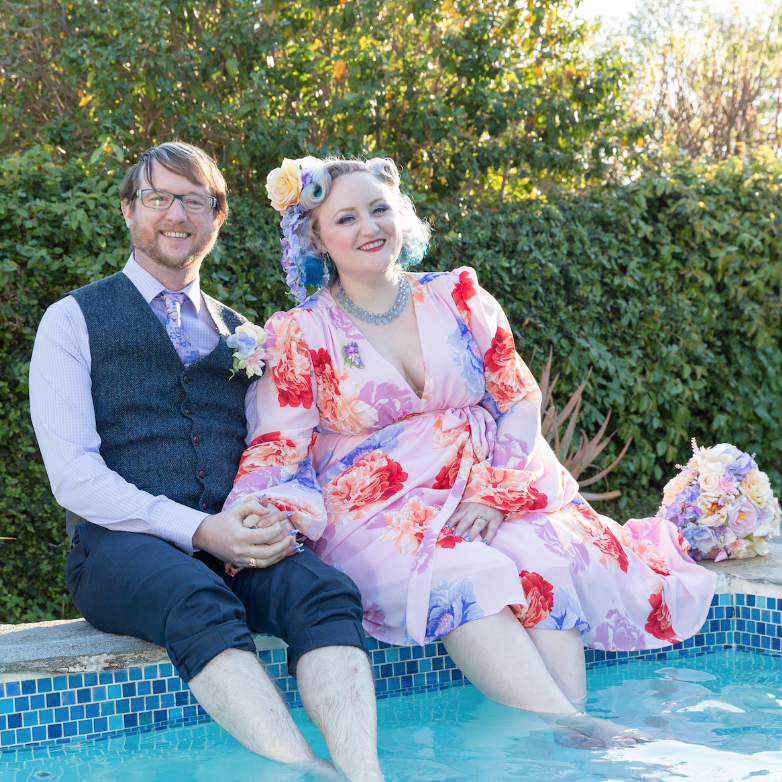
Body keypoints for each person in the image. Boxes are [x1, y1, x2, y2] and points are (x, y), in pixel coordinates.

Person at [225, 155, 719, 748]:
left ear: (400, 217)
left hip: (481, 485)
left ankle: (567, 740)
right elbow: (280, 439)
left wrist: (496, 493)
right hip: (381, 511)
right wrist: (256, 512)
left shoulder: (458, 298)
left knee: (540, 550)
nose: (368, 227)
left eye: (379, 209)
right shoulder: (303, 334)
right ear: (318, 237)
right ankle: (572, 726)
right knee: (467, 573)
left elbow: (518, 398)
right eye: (347, 217)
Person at [29, 142, 384, 782]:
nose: (176, 214)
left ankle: (365, 775)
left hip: (231, 541)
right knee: (195, 596)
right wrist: (197, 530)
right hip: (115, 548)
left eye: (194, 200)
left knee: (324, 590)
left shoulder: (246, 333)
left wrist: (269, 517)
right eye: (159, 197)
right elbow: (73, 478)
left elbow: (275, 448)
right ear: (129, 210)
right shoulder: (71, 321)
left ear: (216, 218)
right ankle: (309, 774)